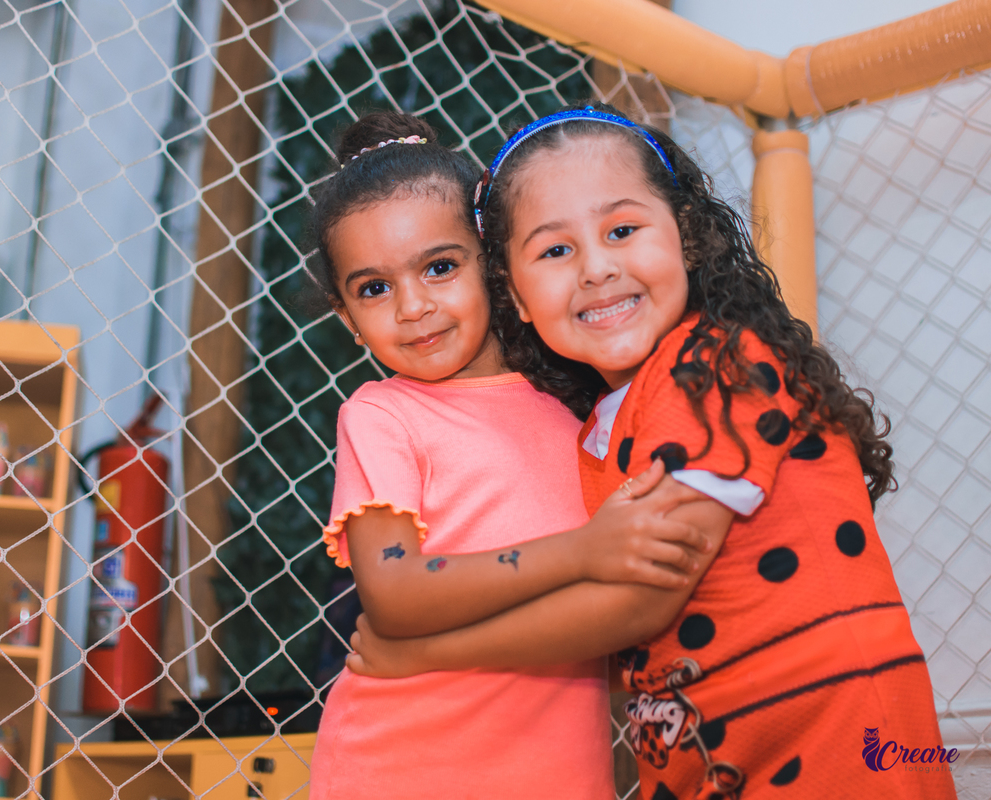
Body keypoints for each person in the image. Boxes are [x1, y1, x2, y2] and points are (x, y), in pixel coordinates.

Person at [348, 103, 958, 799]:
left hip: (828, 745)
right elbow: (626, 641)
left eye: (622, 230)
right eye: (555, 251)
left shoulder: (716, 365)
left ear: (687, 237)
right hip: (714, 757)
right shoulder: (598, 427)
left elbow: (643, 599)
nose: (596, 268)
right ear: (515, 294)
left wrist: (428, 653)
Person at [306, 110, 713, 799]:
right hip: (399, 773)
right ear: (347, 318)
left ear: (496, 269)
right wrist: (583, 552)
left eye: (440, 267)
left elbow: (614, 616)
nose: (412, 307)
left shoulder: (582, 409)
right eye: (375, 288)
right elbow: (396, 595)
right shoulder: (383, 415)